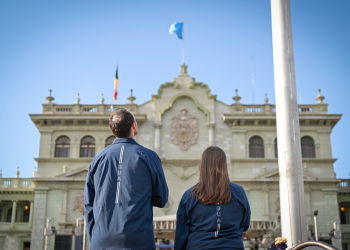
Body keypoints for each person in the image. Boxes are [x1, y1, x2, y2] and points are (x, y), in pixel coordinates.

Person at [84, 108, 168, 250]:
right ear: (134, 126)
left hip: (101, 241)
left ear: (112, 130)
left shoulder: (97, 159)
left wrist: (95, 240)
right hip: (138, 241)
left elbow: (88, 204)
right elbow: (161, 198)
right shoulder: (149, 156)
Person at [174, 146, 251, 250]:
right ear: (225, 166)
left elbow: (181, 233)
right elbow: (245, 224)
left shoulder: (189, 195)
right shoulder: (239, 192)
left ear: (201, 167)